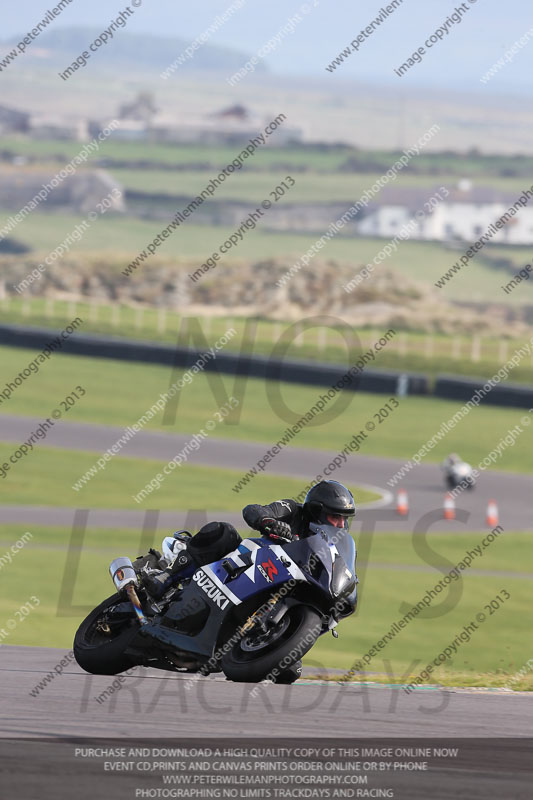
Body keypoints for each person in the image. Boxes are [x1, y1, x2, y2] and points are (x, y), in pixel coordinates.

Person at [142, 480, 356, 599]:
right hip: (247, 565)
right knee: (224, 532)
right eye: (334, 517)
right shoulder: (293, 510)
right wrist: (268, 522)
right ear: (317, 511)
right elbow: (254, 510)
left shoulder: (332, 546)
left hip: (282, 587)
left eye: (343, 519)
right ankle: (167, 576)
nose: (339, 524)